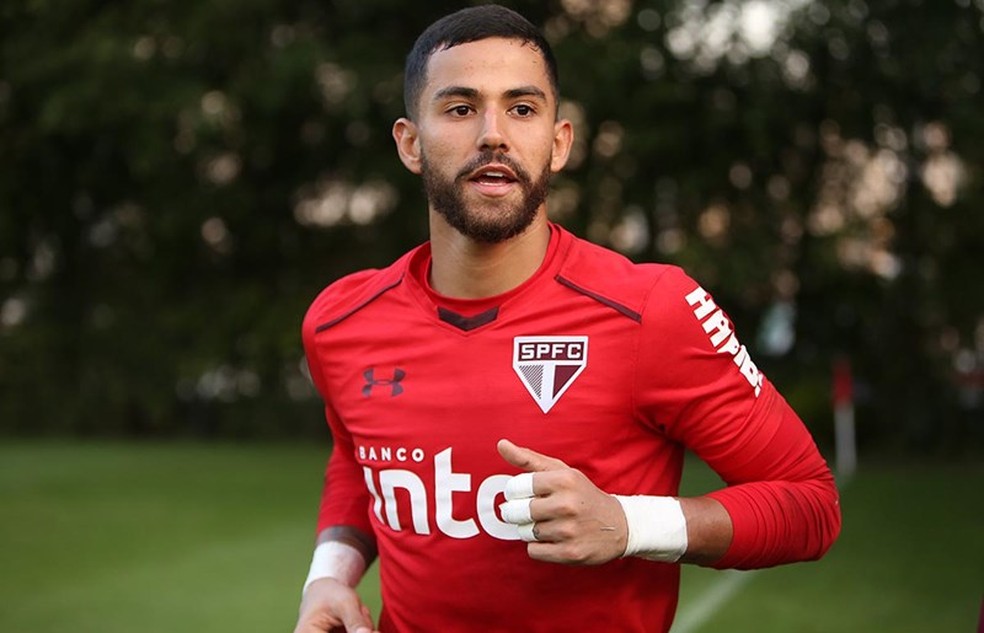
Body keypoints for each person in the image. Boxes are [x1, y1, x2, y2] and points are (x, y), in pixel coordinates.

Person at [293, 5, 841, 633]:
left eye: (521, 109)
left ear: (558, 143)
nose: (493, 134)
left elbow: (810, 504)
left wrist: (632, 524)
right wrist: (328, 578)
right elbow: (359, 460)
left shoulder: (651, 309)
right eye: (460, 108)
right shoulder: (340, 321)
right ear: (410, 143)